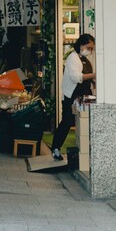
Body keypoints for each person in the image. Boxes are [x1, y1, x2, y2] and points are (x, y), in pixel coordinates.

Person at [50, 33, 95, 161]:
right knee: (67, 122)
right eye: (88, 47)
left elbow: (87, 77)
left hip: (85, 96)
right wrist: (93, 75)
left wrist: (94, 81)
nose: (90, 51)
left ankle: (86, 152)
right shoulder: (73, 58)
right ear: (81, 45)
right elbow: (76, 77)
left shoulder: (86, 59)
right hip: (71, 95)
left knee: (86, 122)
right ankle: (56, 148)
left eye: (92, 48)